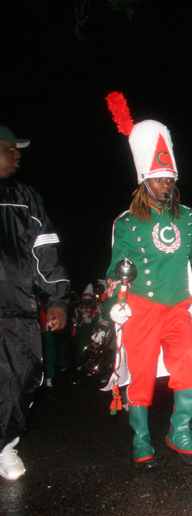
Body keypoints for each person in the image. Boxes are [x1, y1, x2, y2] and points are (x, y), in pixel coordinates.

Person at [101, 92, 192, 469]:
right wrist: (114, 304)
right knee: (141, 377)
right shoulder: (127, 223)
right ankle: (142, 441)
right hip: (142, 307)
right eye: (159, 179)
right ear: (145, 179)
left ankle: (179, 431)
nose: (165, 184)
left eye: (170, 178)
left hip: (178, 306)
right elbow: (116, 269)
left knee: (187, 365)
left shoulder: (187, 217)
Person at [0, 125, 70, 480]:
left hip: (16, 309)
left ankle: (5, 446)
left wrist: (56, 299)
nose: (18, 154)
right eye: (10, 148)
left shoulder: (25, 196)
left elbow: (44, 251)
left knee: (21, 375)